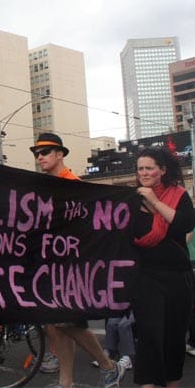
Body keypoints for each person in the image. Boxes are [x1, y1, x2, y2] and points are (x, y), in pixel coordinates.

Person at [30, 133, 125, 388]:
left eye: (45, 152)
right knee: (56, 322)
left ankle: (108, 366)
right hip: (52, 264)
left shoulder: (73, 184)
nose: (40, 157)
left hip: (72, 267)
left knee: (64, 320)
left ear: (60, 154)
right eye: (36, 153)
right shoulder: (46, 186)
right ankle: (67, 381)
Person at [131, 147, 195, 387]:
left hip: (178, 277)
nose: (144, 173)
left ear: (163, 170)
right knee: (149, 335)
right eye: (140, 169)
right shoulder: (131, 199)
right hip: (146, 277)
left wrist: (155, 201)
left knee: (174, 338)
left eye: (149, 168)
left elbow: (184, 224)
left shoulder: (178, 195)